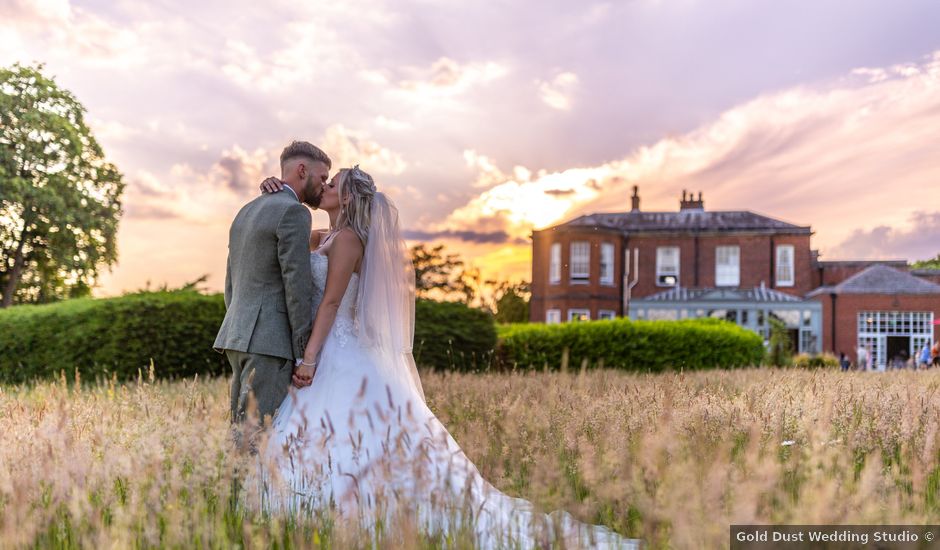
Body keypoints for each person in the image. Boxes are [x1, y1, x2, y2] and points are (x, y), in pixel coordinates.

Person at [255, 167, 636, 548]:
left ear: (350, 197)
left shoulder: (350, 240)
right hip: (332, 349)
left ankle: (368, 510)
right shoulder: (326, 236)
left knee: (362, 438)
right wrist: (276, 193)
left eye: (334, 184)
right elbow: (282, 239)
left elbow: (332, 302)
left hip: (338, 351)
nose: (325, 187)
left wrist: (308, 359)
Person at [213, 141, 330, 448]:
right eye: (322, 176)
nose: (324, 184)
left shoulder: (247, 210)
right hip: (270, 343)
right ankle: (243, 496)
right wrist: (303, 352)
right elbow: (297, 285)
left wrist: (238, 324)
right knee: (254, 440)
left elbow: (231, 282)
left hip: (237, 336)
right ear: (302, 170)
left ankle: (233, 495)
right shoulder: (294, 212)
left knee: (240, 434)